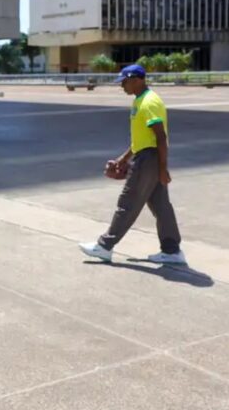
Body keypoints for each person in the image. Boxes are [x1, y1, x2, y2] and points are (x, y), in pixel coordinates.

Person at [79, 64, 186, 265]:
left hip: (148, 159)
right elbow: (141, 139)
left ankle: (104, 246)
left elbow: (160, 138)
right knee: (161, 206)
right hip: (147, 156)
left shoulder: (149, 102)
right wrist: (123, 159)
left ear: (137, 79)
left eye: (125, 82)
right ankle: (172, 251)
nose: (122, 86)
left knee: (128, 202)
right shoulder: (139, 101)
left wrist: (163, 169)